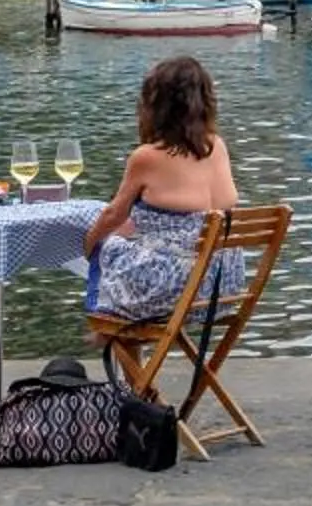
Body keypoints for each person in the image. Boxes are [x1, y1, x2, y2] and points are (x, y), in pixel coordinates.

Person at [85, 56, 244, 335]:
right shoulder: (217, 146)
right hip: (223, 288)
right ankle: (129, 361)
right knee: (130, 241)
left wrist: (88, 245)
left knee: (105, 248)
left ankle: (110, 334)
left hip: (178, 289)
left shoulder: (147, 157)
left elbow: (114, 214)